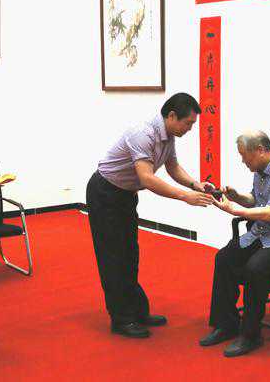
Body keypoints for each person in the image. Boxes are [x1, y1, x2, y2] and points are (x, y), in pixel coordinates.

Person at [86, 93, 214, 338]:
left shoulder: (169, 136)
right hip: (105, 193)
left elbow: (173, 167)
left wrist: (195, 185)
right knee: (113, 257)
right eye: (188, 123)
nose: (190, 129)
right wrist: (185, 196)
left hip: (125, 194)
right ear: (172, 116)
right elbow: (147, 178)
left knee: (130, 254)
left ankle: (137, 311)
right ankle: (121, 319)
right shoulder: (143, 134)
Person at [199, 131, 270, 357]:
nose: (243, 161)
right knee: (224, 258)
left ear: (260, 150)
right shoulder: (260, 170)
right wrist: (237, 197)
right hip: (264, 233)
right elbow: (255, 201)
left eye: (244, 155)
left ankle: (251, 335)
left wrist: (235, 210)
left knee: (255, 267)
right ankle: (226, 324)